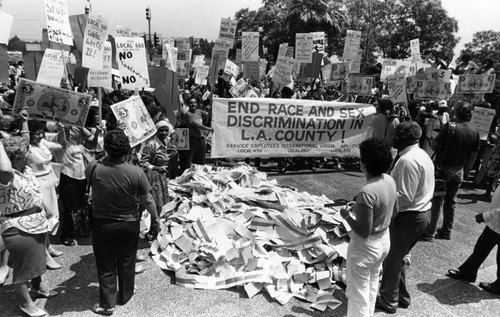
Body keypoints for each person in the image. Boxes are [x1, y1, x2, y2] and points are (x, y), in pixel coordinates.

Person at [87, 130, 160, 315]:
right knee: (127, 260)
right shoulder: (136, 172)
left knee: (105, 263)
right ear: (127, 149)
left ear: (106, 149)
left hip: (101, 223)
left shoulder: (93, 167)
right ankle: (125, 294)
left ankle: (107, 304)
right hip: (129, 223)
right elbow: (148, 200)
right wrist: (155, 219)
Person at [376, 121, 435, 314]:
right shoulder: (420, 155)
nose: (393, 137)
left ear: (406, 138)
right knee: (399, 258)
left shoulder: (408, 161)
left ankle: (388, 300)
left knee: (391, 260)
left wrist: (383, 208)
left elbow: (405, 197)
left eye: (397, 135)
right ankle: (401, 296)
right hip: (420, 214)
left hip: (409, 217)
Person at [0, 137, 58, 317]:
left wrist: (47, 211)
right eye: (26, 151)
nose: (30, 152)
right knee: (23, 269)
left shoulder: (26, 169)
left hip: (38, 222)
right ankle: (26, 304)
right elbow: (5, 168)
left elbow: (35, 194)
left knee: (38, 260)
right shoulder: (6, 177)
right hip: (18, 227)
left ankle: (38, 287)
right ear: (15, 157)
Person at [340, 138, 397, 317]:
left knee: (358, 294)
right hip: (383, 240)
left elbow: (363, 230)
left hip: (366, 246)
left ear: (363, 164)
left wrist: (346, 216)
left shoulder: (367, 192)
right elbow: (396, 210)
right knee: (372, 285)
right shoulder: (389, 180)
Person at [421, 102, 480, 241]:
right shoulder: (475, 132)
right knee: (451, 201)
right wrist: (466, 171)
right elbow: (473, 156)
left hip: (443, 169)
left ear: (457, 113)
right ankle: (446, 231)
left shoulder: (450, 127)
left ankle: (430, 232)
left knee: (437, 200)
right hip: (459, 171)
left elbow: (434, 146)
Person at [446, 185, 500, 295]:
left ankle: (499, 286)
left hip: (495, 220)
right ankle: (468, 272)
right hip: (495, 223)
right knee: (480, 248)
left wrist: (486, 216)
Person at [28, 120, 64, 270]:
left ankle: (48, 246)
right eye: (37, 133)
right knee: (42, 219)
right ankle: (44, 255)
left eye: (41, 132)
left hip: (49, 181)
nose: (41, 135)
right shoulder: (27, 148)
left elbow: (62, 145)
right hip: (37, 184)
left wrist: (62, 129)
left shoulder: (42, 143)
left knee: (50, 217)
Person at [140, 120, 178, 217]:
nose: (164, 133)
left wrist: (172, 153)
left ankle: (158, 221)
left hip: (162, 177)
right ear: (156, 131)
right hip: (153, 178)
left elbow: (169, 155)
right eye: (161, 130)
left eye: (166, 130)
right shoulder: (151, 145)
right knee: (154, 202)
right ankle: (153, 222)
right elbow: (143, 162)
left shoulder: (167, 143)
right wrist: (155, 168)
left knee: (162, 202)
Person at [183, 96, 213, 168]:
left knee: (201, 159)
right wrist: (208, 128)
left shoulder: (199, 111)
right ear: (188, 105)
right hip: (192, 140)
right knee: (190, 160)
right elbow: (197, 125)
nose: (193, 104)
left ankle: (199, 175)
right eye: (191, 103)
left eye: (194, 102)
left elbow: (209, 115)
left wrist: (211, 106)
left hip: (201, 139)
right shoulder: (188, 114)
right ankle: (188, 175)